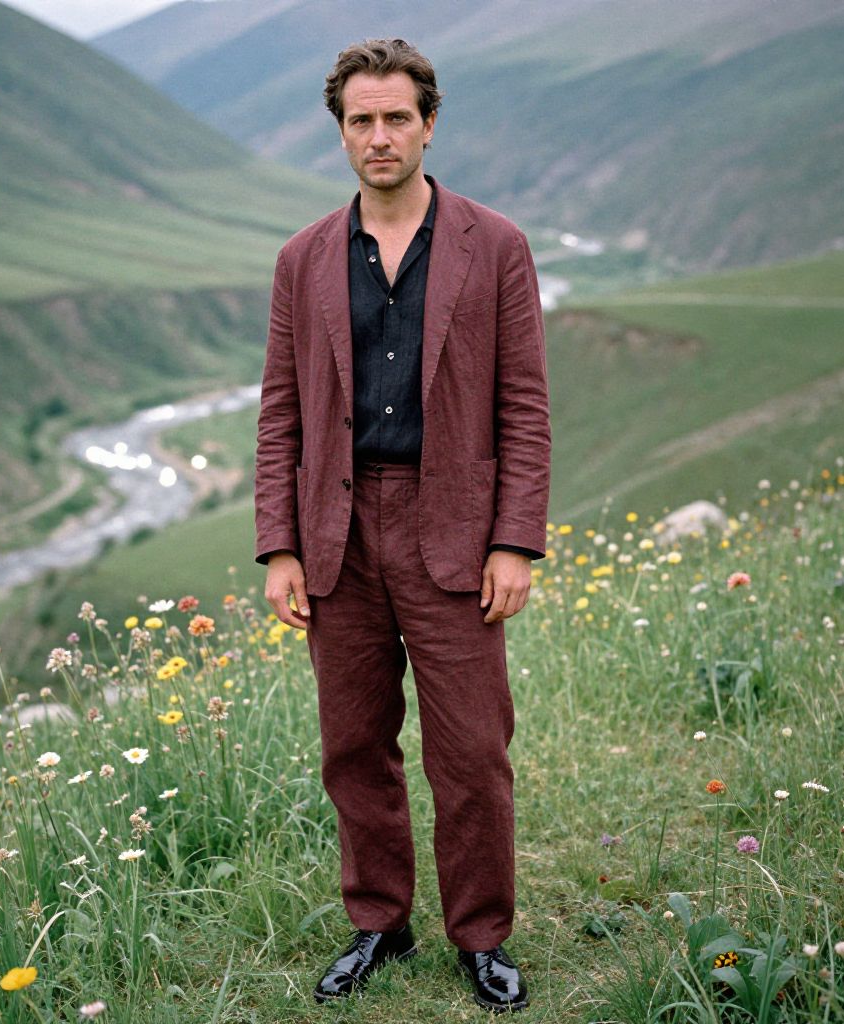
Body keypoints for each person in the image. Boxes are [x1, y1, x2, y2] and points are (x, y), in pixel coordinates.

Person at [254, 37, 550, 1014]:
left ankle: (481, 935)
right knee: (353, 745)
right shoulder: (301, 259)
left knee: (470, 749)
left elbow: (524, 407)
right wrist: (280, 544)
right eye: (359, 121)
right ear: (339, 132)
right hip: (334, 533)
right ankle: (379, 917)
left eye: (395, 118)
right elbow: (281, 415)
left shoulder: (494, 244)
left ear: (428, 123)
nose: (377, 137)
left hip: (452, 529)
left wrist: (514, 538)